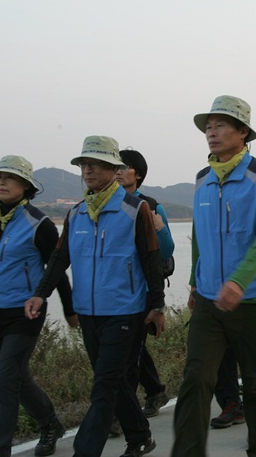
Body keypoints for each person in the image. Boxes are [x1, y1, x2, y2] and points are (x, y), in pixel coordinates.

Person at [25, 135, 165, 457]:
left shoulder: (135, 209)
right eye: (84, 165)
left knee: (103, 386)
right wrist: (40, 294)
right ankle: (141, 436)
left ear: (113, 168)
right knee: (112, 381)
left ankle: (85, 451)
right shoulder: (76, 214)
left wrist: (157, 305)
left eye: (96, 164)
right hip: (88, 312)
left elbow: (150, 259)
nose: (88, 170)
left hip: (125, 310)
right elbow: (60, 259)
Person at [171, 95, 256, 457]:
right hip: (208, 300)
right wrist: (193, 282)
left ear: (243, 132)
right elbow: (199, 236)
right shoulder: (203, 179)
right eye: (208, 127)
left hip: (253, 299)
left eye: (220, 125)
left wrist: (239, 281)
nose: (211, 133)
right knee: (195, 380)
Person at [0, 155, 75, 457]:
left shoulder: (39, 224)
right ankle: (50, 423)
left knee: (3, 383)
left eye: (9, 178)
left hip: (25, 313)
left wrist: (69, 310)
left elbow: (56, 269)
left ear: (26, 186)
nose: (1, 182)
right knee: (17, 376)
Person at [116, 148, 175, 418]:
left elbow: (165, 250)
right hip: (114, 290)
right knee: (130, 348)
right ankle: (154, 390)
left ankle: (121, 416)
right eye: (114, 166)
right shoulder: (105, 204)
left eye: (123, 167)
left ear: (137, 174)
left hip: (141, 289)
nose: (117, 170)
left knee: (128, 353)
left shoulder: (150, 205)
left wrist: (159, 227)